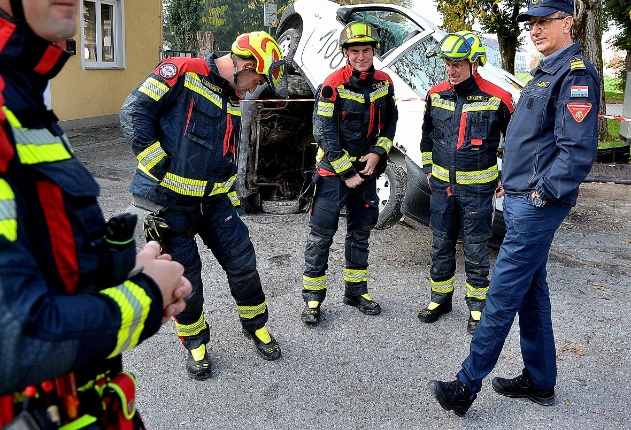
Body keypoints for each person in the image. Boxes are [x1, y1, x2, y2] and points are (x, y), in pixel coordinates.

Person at [0, 0, 191, 427]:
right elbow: (14, 337)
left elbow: (30, 263)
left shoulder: (23, 96)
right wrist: (144, 296)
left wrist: (116, 272)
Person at [429, 0, 601, 415]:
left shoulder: (574, 75)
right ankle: (540, 381)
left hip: (537, 205)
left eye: (545, 21)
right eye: (531, 23)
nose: (536, 29)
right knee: (530, 293)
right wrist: (513, 176)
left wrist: (542, 192)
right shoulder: (546, 71)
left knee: (502, 294)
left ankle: (465, 386)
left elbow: (576, 151)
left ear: (568, 22)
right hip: (523, 195)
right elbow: (533, 140)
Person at [119, 31, 285, 380]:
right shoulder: (181, 71)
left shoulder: (233, 96)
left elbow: (225, 151)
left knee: (242, 262)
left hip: (215, 203)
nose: (254, 88)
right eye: (256, 79)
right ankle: (195, 342)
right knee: (187, 277)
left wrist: (234, 196)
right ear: (245, 64)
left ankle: (256, 325)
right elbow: (134, 112)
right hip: (171, 204)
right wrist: (158, 164)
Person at [300, 21, 398, 325]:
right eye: (355, 51)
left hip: (367, 171)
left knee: (360, 234)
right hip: (334, 174)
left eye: (366, 50)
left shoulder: (385, 83)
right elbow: (324, 133)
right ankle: (313, 300)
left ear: (373, 51)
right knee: (321, 236)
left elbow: (391, 124)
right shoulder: (332, 85)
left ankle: (355, 292)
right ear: (346, 53)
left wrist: (378, 153)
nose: (361, 56)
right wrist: (347, 172)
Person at [418, 31, 514, 335]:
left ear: (475, 63)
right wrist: (429, 168)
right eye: (448, 62)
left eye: (458, 62)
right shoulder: (435, 94)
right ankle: (440, 300)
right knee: (441, 245)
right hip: (442, 189)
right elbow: (426, 136)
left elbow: (516, 143)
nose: (451, 69)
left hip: (477, 191)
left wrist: (507, 176)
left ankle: (476, 307)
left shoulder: (499, 97)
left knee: (475, 249)